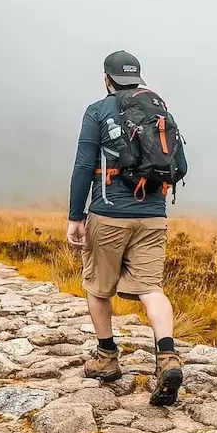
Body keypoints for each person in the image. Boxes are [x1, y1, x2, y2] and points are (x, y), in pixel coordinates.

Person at [67, 50, 188, 406]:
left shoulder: (98, 110)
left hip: (109, 214)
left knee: (97, 286)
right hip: (153, 215)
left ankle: (106, 357)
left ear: (108, 79)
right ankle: (167, 357)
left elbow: (83, 165)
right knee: (151, 289)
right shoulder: (159, 108)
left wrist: (76, 216)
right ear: (137, 77)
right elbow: (179, 164)